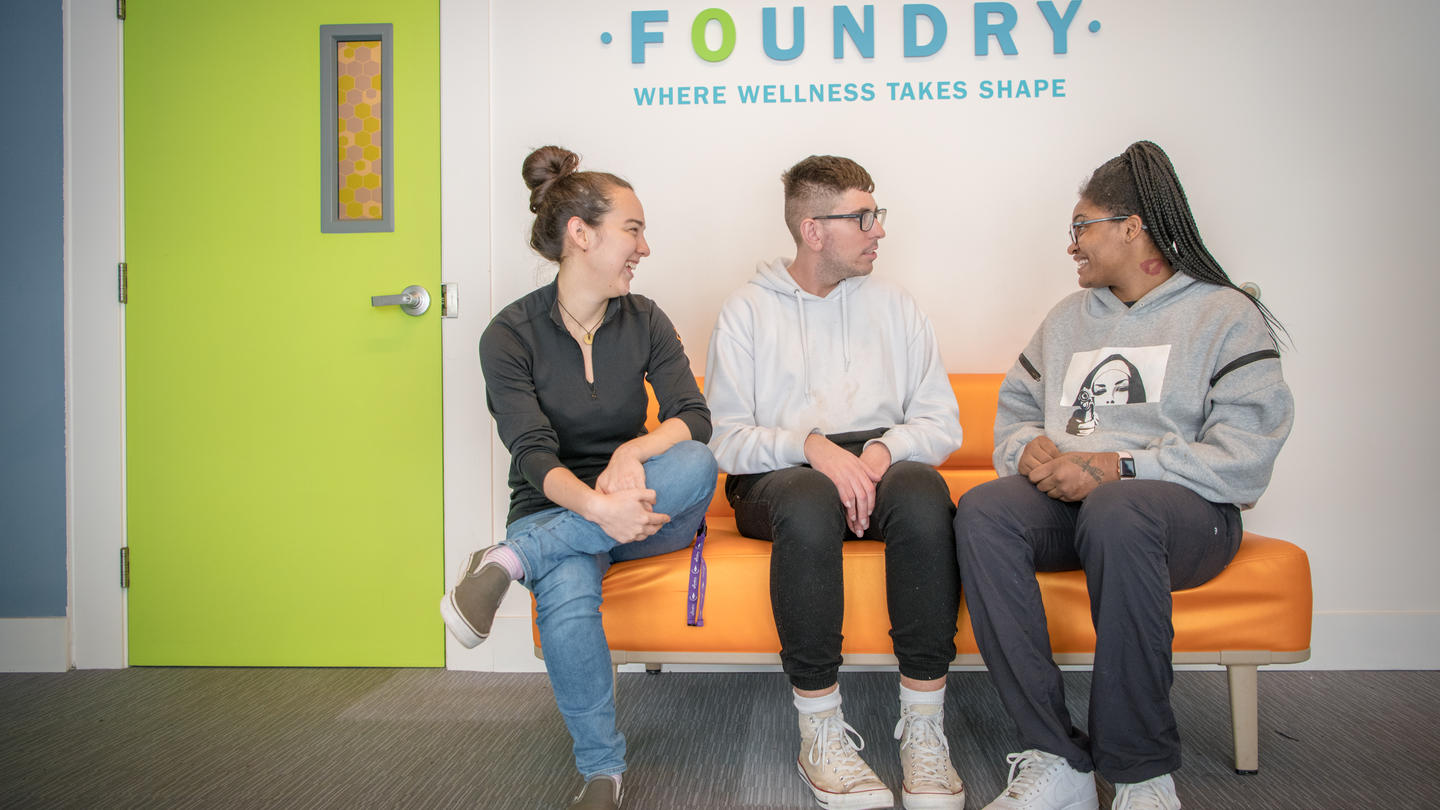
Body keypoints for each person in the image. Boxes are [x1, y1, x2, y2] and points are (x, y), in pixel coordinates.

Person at [953, 140, 1294, 810]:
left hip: (1187, 517)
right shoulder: (1067, 320)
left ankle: (1140, 770)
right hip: (1078, 510)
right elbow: (1017, 412)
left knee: (1119, 509)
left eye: (1082, 228)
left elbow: (1246, 458)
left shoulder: (1225, 315)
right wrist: (1027, 451)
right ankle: (1057, 757)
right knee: (986, 510)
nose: (1072, 245)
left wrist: (1119, 467)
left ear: (1132, 228)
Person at [440, 146, 717, 810]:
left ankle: (509, 560)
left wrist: (633, 453)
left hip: (648, 509)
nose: (644, 247)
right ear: (580, 234)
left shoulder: (645, 318)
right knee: (566, 589)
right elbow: (532, 454)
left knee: (697, 464)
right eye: (633, 228)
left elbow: (693, 420)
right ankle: (601, 772)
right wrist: (595, 509)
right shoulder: (508, 336)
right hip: (557, 503)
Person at [705, 155, 967, 810]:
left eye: (877, 215)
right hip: (779, 474)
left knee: (924, 495)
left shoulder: (897, 306)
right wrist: (810, 446)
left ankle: (925, 731)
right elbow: (726, 439)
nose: (879, 230)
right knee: (807, 497)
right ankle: (819, 729)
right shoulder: (746, 311)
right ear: (813, 230)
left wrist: (881, 452)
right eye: (863, 217)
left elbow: (942, 422)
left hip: (877, 459)